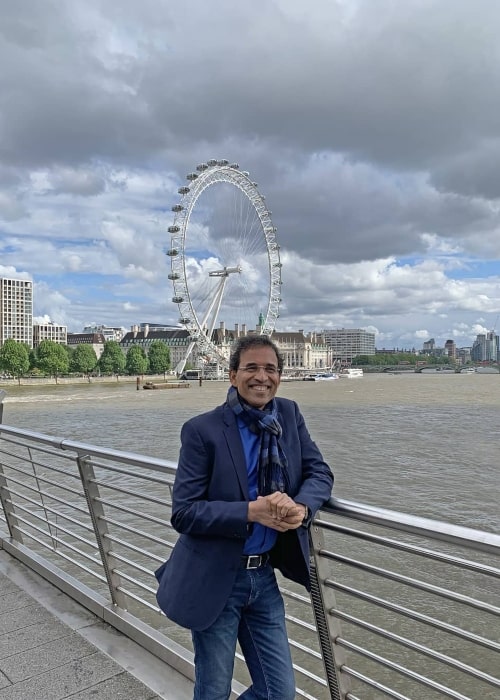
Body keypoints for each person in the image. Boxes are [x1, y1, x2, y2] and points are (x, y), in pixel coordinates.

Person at [155, 335, 334, 699]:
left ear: (280, 376)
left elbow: (320, 473)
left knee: (279, 693)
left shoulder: (288, 414)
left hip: (264, 577)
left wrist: (301, 508)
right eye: (251, 368)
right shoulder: (202, 430)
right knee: (214, 688)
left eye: (270, 368)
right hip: (216, 576)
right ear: (232, 375)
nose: (261, 377)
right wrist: (252, 512)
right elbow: (185, 512)